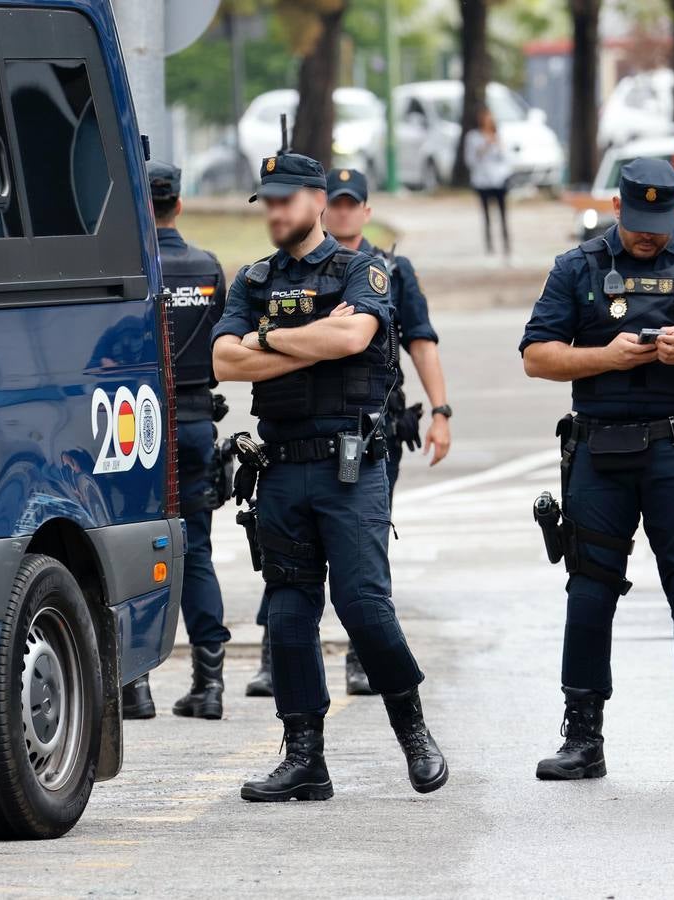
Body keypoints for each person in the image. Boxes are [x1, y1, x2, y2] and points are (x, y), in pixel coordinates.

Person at [213, 152, 448, 801]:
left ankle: (414, 734)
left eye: (286, 199)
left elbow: (352, 342)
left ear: (319, 201)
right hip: (281, 469)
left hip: (350, 468)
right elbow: (223, 361)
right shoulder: (253, 278)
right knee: (288, 616)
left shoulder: (364, 268)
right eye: (267, 201)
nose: (275, 212)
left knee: (364, 607)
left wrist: (265, 340)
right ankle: (304, 759)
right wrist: (297, 337)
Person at [520, 158, 674, 782]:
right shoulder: (579, 266)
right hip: (601, 451)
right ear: (618, 208)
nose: (648, 235)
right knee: (590, 590)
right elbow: (536, 357)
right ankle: (583, 736)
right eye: (637, 222)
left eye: (660, 221)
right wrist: (606, 357)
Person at [244, 167, 454, 698]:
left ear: (364, 210)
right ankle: (277, 666)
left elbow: (408, 341)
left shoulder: (381, 270)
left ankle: (369, 669)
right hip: (287, 451)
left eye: (348, 204)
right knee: (289, 584)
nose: (340, 212)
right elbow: (225, 357)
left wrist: (441, 410)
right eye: (334, 203)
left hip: (367, 431)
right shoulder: (260, 278)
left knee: (362, 579)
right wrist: (309, 337)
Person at [121, 160, 232, 721]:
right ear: (179, 204)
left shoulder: (134, 267)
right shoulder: (209, 268)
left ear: (143, 204)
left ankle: (135, 686)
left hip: (142, 427)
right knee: (200, 553)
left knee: (139, 552)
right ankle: (208, 685)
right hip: (196, 423)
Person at [464, 106, 512, 259]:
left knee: (503, 213)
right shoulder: (473, 137)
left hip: (499, 179)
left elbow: (506, 158)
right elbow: (470, 160)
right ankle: (489, 245)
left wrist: (498, 144)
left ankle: (506, 244)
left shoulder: (500, 135)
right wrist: (484, 146)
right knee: (486, 214)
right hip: (483, 181)